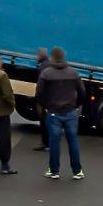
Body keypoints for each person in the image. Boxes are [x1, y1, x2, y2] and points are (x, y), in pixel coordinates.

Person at [36, 46, 87, 180]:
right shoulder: (74, 73)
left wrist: (46, 106)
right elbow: (82, 92)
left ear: (52, 58)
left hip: (53, 112)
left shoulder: (46, 73)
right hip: (70, 112)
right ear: (63, 57)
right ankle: (77, 171)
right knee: (73, 141)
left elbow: (39, 93)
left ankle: (54, 171)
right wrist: (76, 105)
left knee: (54, 141)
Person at [33, 47, 51, 152]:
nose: (36, 57)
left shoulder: (43, 67)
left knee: (44, 121)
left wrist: (38, 98)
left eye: (37, 55)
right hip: (50, 98)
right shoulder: (49, 65)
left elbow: (41, 85)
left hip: (44, 99)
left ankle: (45, 143)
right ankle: (48, 143)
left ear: (41, 56)